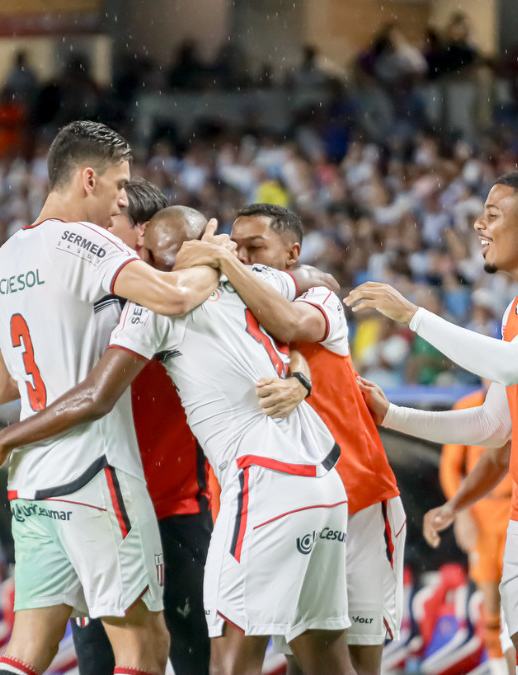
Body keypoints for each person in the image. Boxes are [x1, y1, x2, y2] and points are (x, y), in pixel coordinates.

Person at [0, 205, 354, 674]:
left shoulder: (154, 304)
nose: (141, 260)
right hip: (322, 483)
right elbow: (317, 282)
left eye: (149, 252)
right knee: (325, 654)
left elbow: (96, 395)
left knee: (223, 663)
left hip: (255, 486)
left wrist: (8, 437)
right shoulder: (256, 279)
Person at [0, 121, 228, 675]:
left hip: (32, 483)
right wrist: (212, 257)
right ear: (88, 178)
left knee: (27, 651)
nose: (121, 199)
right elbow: (174, 298)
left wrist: (62, 356)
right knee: (144, 646)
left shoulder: (4, 260)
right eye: (118, 186)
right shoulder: (86, 242)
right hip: (95, 474)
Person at [222, 203, 404, 673]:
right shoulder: (229, 315)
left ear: (291, 251)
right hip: (287, 505)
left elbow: (290, 324)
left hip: (358, 499)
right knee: (305, 662)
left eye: (256, 247)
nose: (243, 257)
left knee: (361, 665)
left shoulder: (320, 302)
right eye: (235, 248)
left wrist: (299, 277)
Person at [346, 173, 518, 654]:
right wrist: (393, 415)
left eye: (494, 214)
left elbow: (510, 364)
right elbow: (493, 425)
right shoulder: (511, 314)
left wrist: (413, 316)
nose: (479, 224)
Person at [70, 179, 216, 675]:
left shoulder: (193, 295)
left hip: (176, 509)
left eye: (112, 216)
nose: (95, 228)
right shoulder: (79, 295)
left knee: (196, 660)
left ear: (142, 233)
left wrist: (299, 379)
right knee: (100, 665)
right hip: (100, 512)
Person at [441, 387, 511, 669]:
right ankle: (497, 666)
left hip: (512, 512)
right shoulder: (467, 407)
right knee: (491, 600)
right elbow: (450, 467)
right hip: (482, 513)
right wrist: (461, 513)